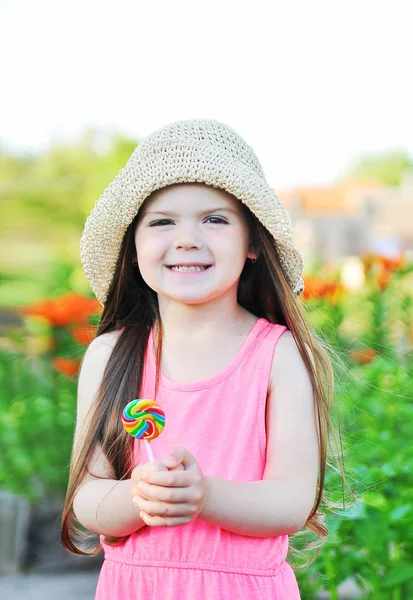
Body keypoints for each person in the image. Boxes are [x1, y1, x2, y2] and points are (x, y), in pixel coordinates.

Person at [61, 119, 337, 599]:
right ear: (133, 246)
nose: (187, 238)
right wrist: (139, 495)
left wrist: (205, 495)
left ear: (252, 241)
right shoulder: (110, 355)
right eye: (162, 221)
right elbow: (88, 498)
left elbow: (292, 500)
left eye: (215, 219)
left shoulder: (278, 355)